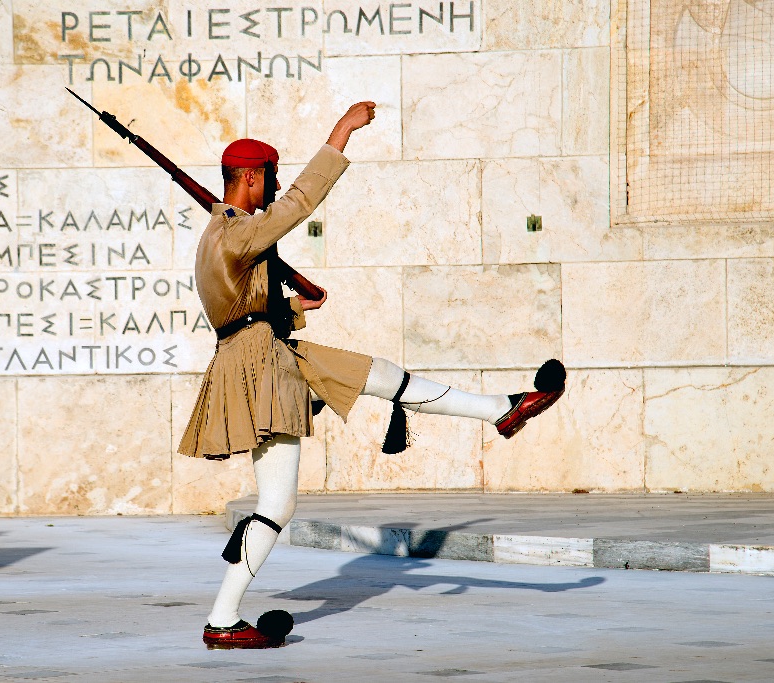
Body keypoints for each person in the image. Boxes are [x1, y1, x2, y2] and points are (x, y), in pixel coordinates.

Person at [178, 102, 565, 649]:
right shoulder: (236, 233)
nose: (276, 184)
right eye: (270, 175)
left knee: (375, 374)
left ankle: (502, 408)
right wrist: (342, 133)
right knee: (276, 504)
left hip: (265, 351)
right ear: (249, 177)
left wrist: (300, 305)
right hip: (261, 366)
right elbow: (300, 202)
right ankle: (221, 621)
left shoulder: (228, 236)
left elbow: (244, 310)